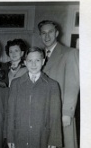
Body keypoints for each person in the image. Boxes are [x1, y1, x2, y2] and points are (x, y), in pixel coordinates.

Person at [7, 47, 62, 148]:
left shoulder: (52, 85)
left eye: (37, 60)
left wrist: (54, 140)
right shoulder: (16, 84)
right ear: (25, 62)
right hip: (20, 135)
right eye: (30, 60)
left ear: (43, 61)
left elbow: (55, 116)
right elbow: (11, 112)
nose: (33, 64)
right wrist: (10, 136)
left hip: (42, 136)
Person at [38, 20, 80, 148]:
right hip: (42, 112)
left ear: (56, 33)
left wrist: (67, 112)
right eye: (43, 33)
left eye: (50, 32)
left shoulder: (70, 53)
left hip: (61, 113)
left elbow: (73, 85)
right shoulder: (38, 56)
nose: (47, 36)